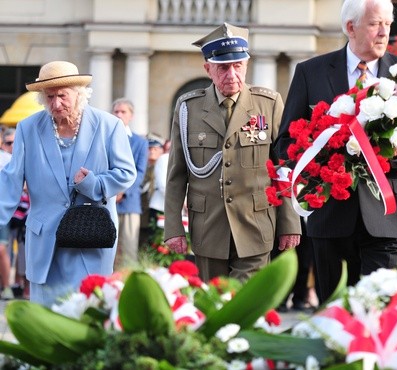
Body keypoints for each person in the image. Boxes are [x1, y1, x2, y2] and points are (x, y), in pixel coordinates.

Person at [273, 0, 397, 303]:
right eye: (375, 24)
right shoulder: (311, 73)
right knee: (337, 318)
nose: (384, 32)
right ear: (350, 27)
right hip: (331, 220)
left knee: (382, 315)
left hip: (389, 220)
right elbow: (285, 143)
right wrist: (320, 160)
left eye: (388, 23)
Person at [164, 23, 301, 282]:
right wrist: (173, 228)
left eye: (238, 66)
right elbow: (177, 173)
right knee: (212, 303)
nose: (232, 74)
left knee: (245, 301)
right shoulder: (188, 108)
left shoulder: (268, 104)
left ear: (246, 65)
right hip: (208, 227)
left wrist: (289, 223)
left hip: (256, 224)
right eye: (223, 67)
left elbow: (284, 168)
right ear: (208, 69)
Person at [0, 61, 136, 307]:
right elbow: (10, 181)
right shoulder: (28, 129)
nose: (56, 103)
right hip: (44, 238)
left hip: (91, 235)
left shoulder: (109, 126)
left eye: (62, 96)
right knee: (46, 316)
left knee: (89, 310)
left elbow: (126, 173)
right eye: (49, 97)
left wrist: (93, 183)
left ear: (80, 94)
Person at [112, 98, 148, 266]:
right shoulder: (104, 139)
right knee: (107, 251)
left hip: (129, 202)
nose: (119, 115)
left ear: (131, 116)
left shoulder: (140, 143)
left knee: (128, 251)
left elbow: (140, 172)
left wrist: (123, 191)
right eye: (116, 111)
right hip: (106, 201)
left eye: (123, 111)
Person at [139, 134, 166, 247]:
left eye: (155, 149)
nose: (152, 152)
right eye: (149, 149)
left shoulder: (164, 164)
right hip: (143, 209)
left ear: (161, 150)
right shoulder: (144, 166)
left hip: (159, 207)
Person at [0, 129, 14, 299]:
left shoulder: (9, 159)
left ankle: (7, 286)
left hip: (3, 211)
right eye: (9, 143)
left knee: (1, 249)